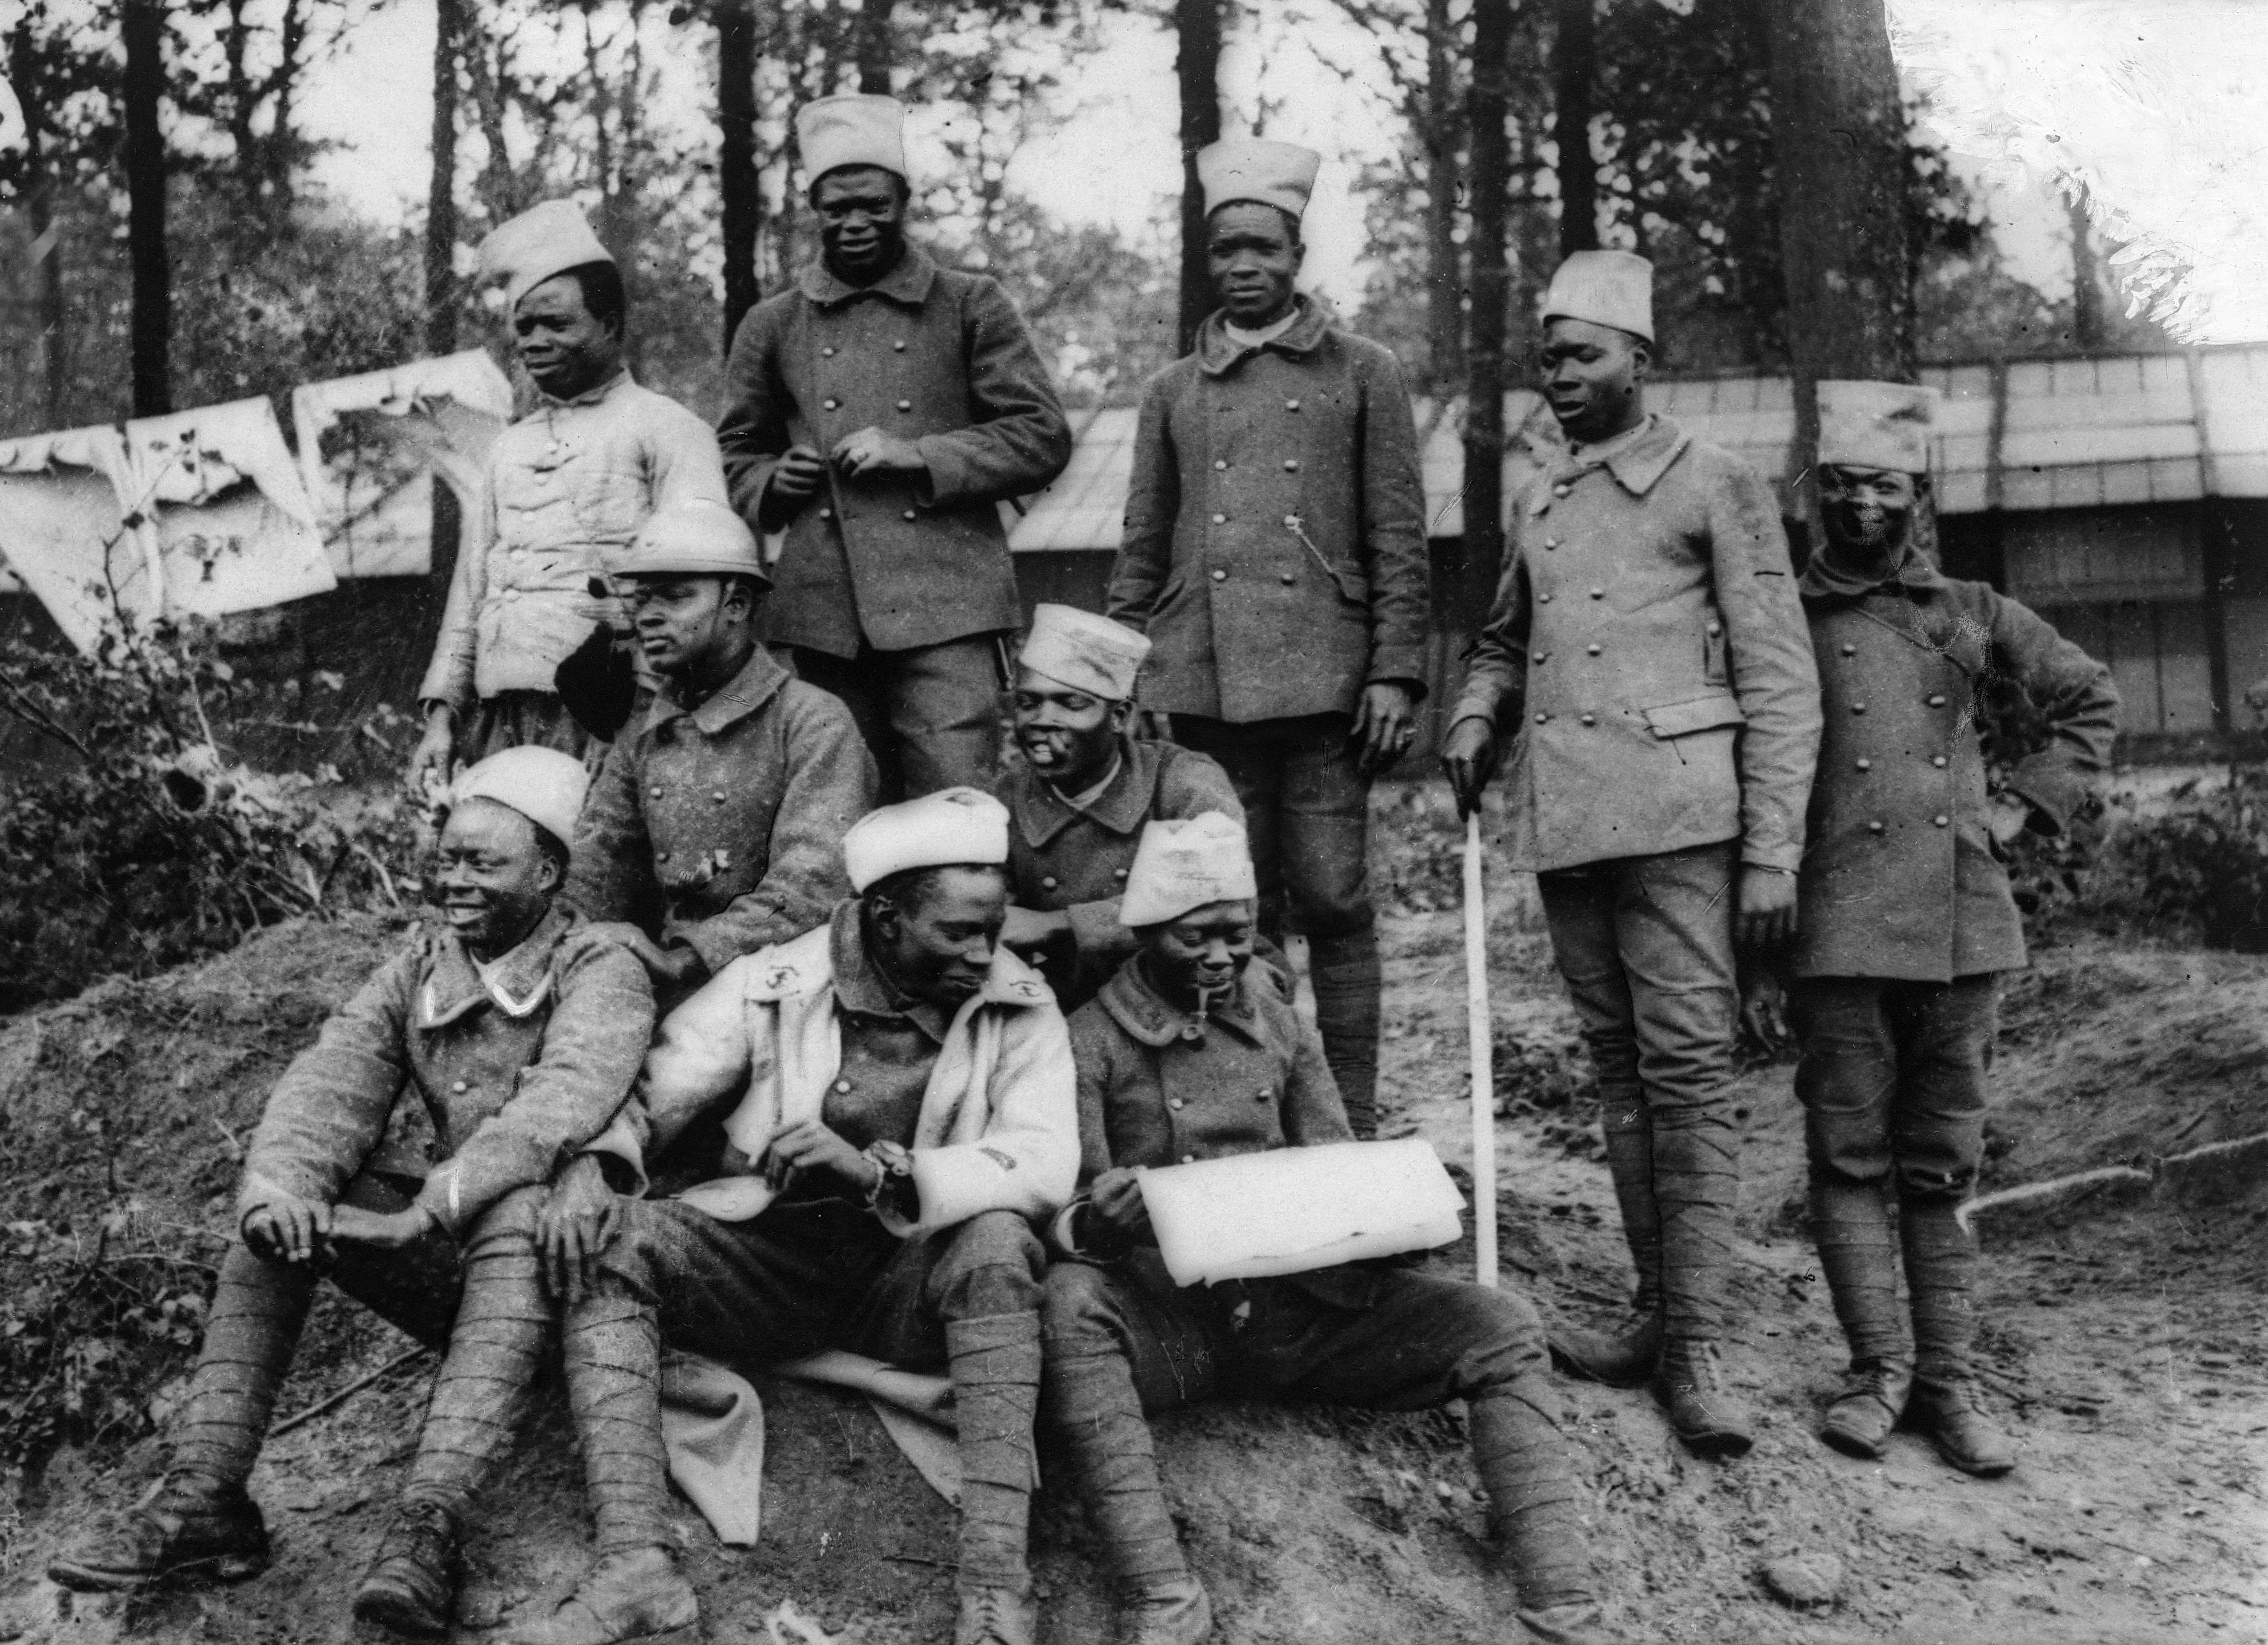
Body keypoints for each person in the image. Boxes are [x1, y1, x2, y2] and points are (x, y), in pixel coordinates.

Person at [48, 749, 653, 1638]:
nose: (455, 881)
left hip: (577, 1281)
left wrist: (430, 1207)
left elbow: (556, 1107)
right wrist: (281, 1191)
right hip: (466, 1272)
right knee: (279, 1219)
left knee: (518, 1199)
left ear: (550, 872)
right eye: (448, 858)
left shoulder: (601, 963)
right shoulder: (422, 962)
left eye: (484, 864)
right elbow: (335, 1075)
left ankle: (429, 1526)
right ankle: (206, 1491)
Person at [506, 788, 1078, 1645]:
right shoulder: (778, 979)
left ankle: (997, 1585)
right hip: (766, 1261)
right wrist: (596, 1161)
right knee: (612, 1239)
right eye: (957, 931)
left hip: (910, 1278)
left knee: (1000, 1240)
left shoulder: (1019, 1002)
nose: (983, 951)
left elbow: (1042, 1162)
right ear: (885, 919)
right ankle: (635, 1563)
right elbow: (657, 1090)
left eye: (992, 928)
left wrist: (886, 1172)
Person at [1040, 814, 1602, 1645]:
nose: (1223, 957)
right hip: (1179, 1332)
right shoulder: (1087, 1040)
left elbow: (1333, 1162)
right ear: (1148, 933)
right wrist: (1100, 1221)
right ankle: (1162, 1593)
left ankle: (1564, 1604)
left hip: (1305, 1314)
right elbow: (1066, 1207)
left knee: (1503, 1323)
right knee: (1070, 1297)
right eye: (1197, 939)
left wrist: (1401, 1207)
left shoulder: (1281, 1025)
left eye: (1239, 934)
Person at [1438, 250, 1821, 1457]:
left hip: (1684, 825)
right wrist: (1473, 711)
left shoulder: (1714, 481)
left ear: (1642, 361)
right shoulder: (1542, 497)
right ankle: (1658, 1311)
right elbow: (1505, 638)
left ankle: (1702, 1344)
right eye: (1547, 356)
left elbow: (1780, 674)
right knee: (1616, 1070)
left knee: (1690, 1073)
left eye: (1583, 354)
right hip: (1573, 831)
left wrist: (1773, 851)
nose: (1558, 376)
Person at [1780, 381, 2116, 1476]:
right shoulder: (1783, 614)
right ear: (1817, 491)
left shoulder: (1968, 609)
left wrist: (2024, 801)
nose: (1861, 504)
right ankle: (1875, 1371)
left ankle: (1949, 1384)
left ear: (1918, 494)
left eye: (1883, 483)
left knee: (1942, 1164)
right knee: (1847, 1155)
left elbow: (2089, 694)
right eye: (1843, 483)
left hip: (1965, 924)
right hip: (1833, 921)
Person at [1105, 138, 1429, 1140]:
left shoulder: (1364, 371)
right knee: (1231, 907)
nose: (1245, 267)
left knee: (1333, 896)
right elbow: (1141, 541)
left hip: (1328, 683)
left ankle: (1358, 1118)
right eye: (1226, 251)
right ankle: (1269, 1113)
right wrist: (1124, 666)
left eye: (1264, 248)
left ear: (1298, 252)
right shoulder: (1172, 391)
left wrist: (1397, 671)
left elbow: (1399, 535)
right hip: (1203, 682)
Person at [716, 94, 1073, 801]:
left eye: (874, 206)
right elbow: (734, 454)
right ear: (813, 207)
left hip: (948, 607)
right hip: (824, 612)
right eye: (836, 207)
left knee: (954, 801)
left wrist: (919, 454)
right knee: (839, 804)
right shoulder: (773, 324)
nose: (855, 224)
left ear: (904, 202)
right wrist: (770, 482)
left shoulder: (971, 302)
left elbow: (1042, 436)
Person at [408, 200, 731, 794]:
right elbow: (471, 591)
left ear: (610, 325)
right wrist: (441, 718)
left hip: (613, 717)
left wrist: (651, 717)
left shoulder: (668, 429)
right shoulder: (508, 447)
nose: (536, 341)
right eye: (525, 327)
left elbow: (699, 591)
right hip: (498, 715)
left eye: (558, 323)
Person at [562, 499, 877, 1009]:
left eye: (675, 598)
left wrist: (688, 957)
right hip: (667, 971)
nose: (649, 618)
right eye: (642, 600)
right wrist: (561, 930)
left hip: (782, 982)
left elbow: (812, 886)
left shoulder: (811, 720)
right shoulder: (646, 726)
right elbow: (603, 857)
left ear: (737, 604)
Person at [993, 602, 1251, 1013]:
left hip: (1194, 982)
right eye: (1028, 703)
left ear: (1120, 716)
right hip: (1073, 992)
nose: (1042, 720)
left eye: (1070, 704)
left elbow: (1216, 902)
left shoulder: (1182, 781)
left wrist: (1054, 925)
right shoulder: (1003, 802)